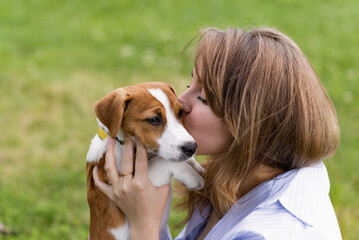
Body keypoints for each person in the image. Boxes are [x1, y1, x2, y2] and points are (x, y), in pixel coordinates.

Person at [93, 27, 342, 239]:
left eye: (203, 98)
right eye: (189, 84)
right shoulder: (236, 176)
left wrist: (144, 225)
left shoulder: (270, 233)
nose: (180, 102)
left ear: (250, 123)